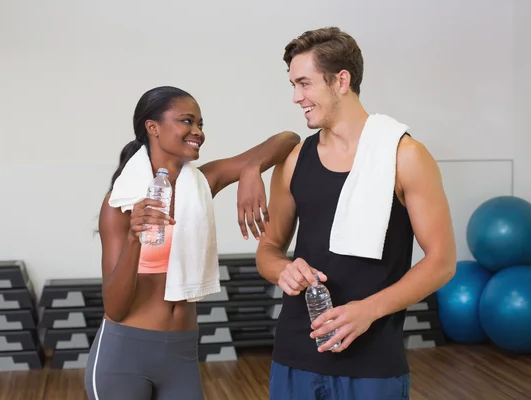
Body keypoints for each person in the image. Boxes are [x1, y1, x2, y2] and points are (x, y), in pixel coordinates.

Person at [256, 27, 456, 399]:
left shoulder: (406, 156)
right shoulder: (295, 160)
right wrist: (283, 269)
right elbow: (268, 248)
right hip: (295, 355)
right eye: (293, 85)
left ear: (341, 80)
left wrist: (368, 310)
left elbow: (442, 262)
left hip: (373, 363)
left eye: (304, 84)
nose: (296, 97)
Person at [84, 85, 301, 400]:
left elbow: (288, 139)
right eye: (187, 121)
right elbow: (115, 309)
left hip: (182, 353)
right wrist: (134, 239)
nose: (197, 131)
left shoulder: (202, 183)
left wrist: (252, 168)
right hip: (124, 353)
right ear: (152, 127)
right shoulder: (120, 204)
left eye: (201, 124)